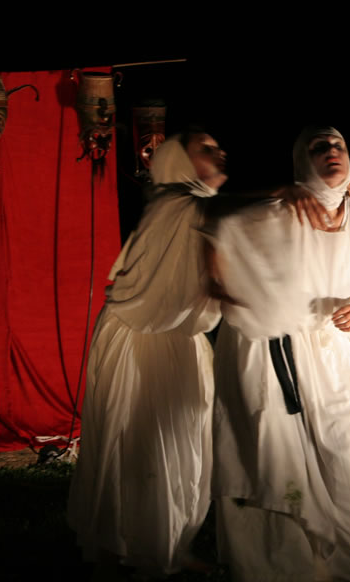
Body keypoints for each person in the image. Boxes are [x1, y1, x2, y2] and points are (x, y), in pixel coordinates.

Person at [208, 126, 350, 582]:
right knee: (278, 463)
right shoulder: (275, 211)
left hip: (331, 352)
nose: (333, 152)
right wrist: (280, 193)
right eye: (320, 147)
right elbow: (211, 219)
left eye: (339, 146)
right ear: (302, 161)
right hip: (271, 354)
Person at [67, 130, 227, 580]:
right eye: (206, 149)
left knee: (183, 442)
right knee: (136, 441)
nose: (220, 153)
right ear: (179, 162)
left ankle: (170, 544)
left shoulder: (192, 207)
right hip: (137, 338)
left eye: (219, 147)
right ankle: (121, 545)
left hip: (177, 338)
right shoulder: (178, 205)